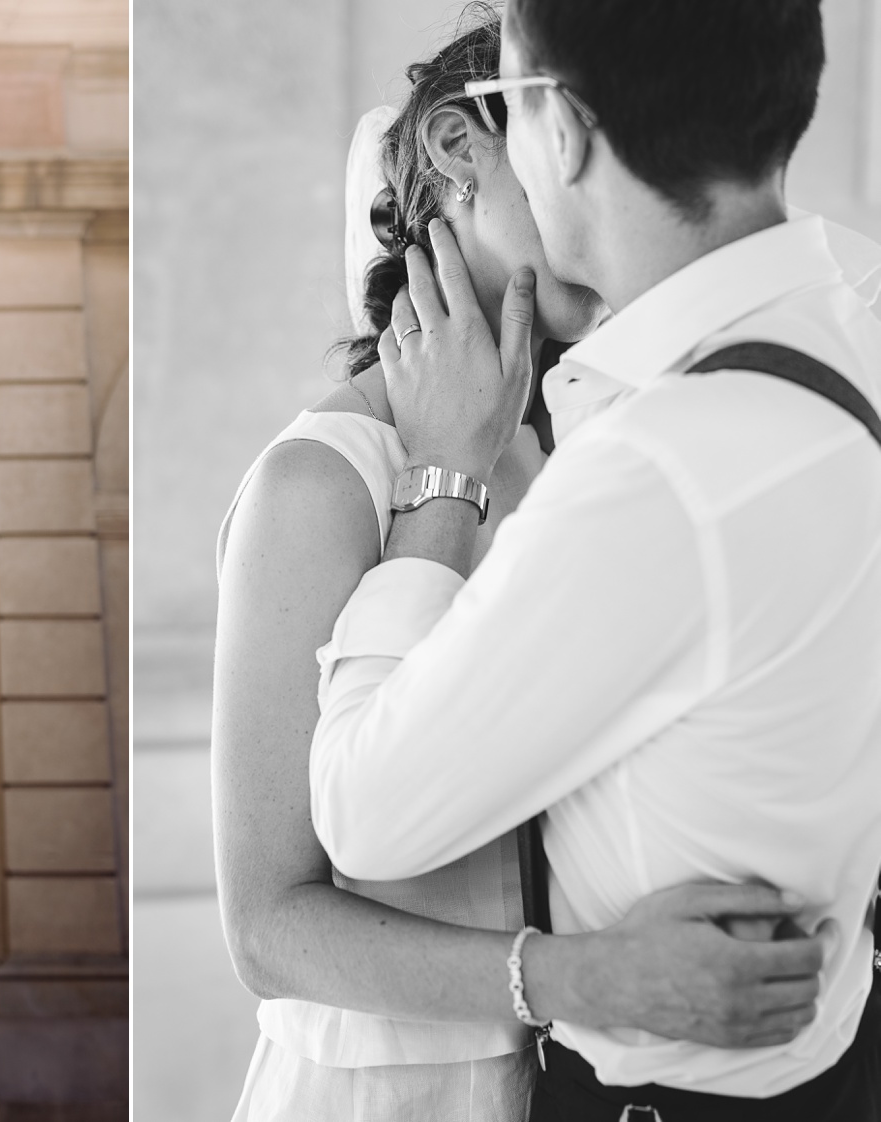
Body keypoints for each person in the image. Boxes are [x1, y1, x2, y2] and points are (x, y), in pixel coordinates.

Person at [214, 10, 832, 1120]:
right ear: (467, 148)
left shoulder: (595, 444)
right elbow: (267, 927)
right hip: (391, 1092)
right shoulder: (316, 480)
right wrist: (580, 978)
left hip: (575, 1079)